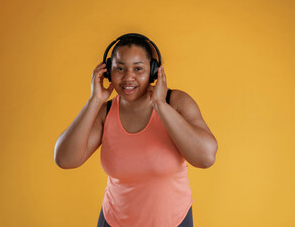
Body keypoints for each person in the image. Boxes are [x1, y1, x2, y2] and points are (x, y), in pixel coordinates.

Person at [54, 33, 218, 227]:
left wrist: (160, 105)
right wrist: (94, 101)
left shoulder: (175, 102)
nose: (128, 77)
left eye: (138, 69)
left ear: (154, 71)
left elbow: (206, 158)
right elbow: (64, 159)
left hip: (173, 221)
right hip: (113, 221)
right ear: (107, 72)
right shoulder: (105, 113)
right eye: (119, 69)